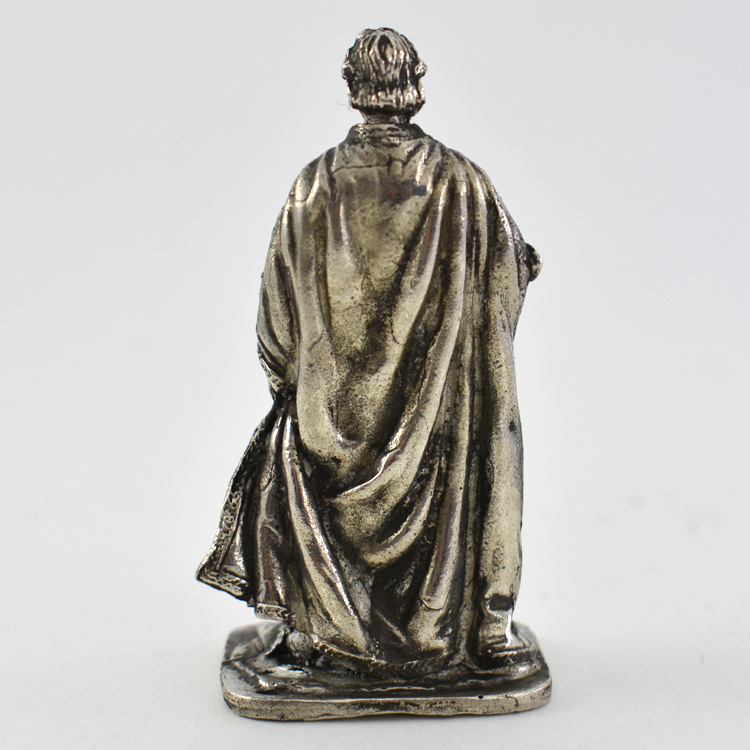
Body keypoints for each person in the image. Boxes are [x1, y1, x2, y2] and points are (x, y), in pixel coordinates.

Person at [198, 28, 542, 674]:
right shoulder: (463, 185)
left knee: (287, 444)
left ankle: (317, 628)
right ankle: (474, 630)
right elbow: (509, 272)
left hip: (326, 433)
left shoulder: (312, 189)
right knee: (490, 440)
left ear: (354, 89)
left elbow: (276, 322)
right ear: (415, 87)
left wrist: (298, 382)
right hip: (438, 440)